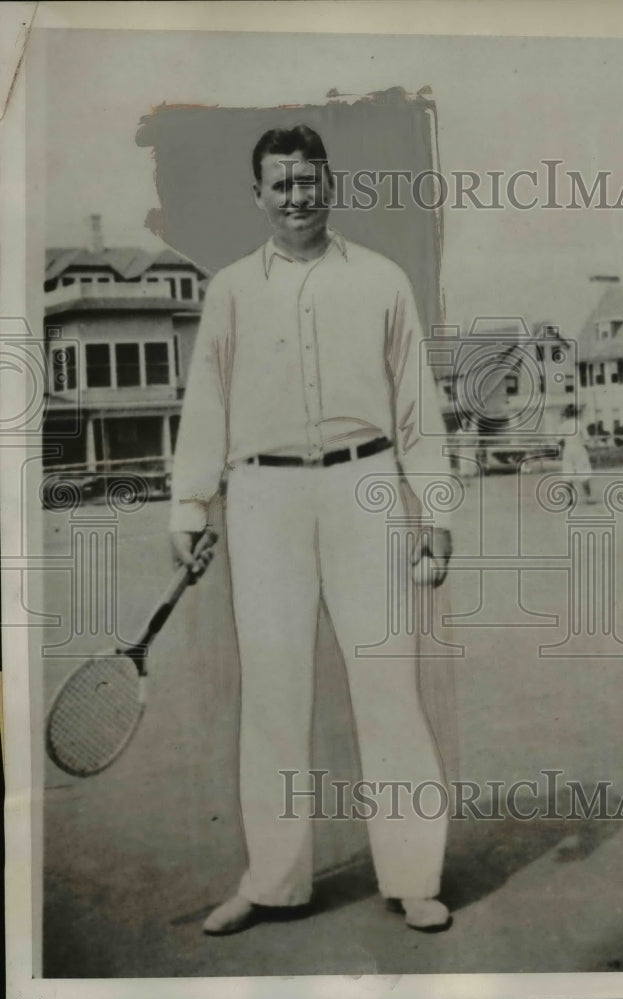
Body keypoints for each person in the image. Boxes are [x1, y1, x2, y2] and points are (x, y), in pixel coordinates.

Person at [169, 124, 454, 935]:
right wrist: (190, 506)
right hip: (263, 499)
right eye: (281, 183)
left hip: (366, 485)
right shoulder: (228, 290)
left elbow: (416, 408)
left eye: (309, 180)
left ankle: (414, 877)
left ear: (331, 185)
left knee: (388, 687)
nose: (297, 196)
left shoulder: (383, 281)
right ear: (257, 194)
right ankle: (272, 882)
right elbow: (207, 407)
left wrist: (434, 508)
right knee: (273, 694)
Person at [557, 403, 595, 503]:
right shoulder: (580, 424)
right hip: (579, 449)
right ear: (576, 413)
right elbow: (586, 439)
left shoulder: (563, 425)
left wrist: (563, 450)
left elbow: (560, 441)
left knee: (568, 474)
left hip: (568, 450)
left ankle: (570, 497)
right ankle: (588, 497)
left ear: (566, 414)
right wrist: (588, 448)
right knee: (584, 473)